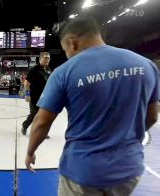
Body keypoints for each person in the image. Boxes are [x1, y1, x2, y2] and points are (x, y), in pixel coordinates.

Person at [25, 15, 159, 196]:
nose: (67, 55)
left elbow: (41, 122)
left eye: (66, 50)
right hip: (128, 169)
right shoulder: (146, 65)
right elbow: (152, 116)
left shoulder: (65, 72)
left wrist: (30, 152)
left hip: (83, 172)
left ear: (72, 43)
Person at [21, 52, 51, 137]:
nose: (47, 60)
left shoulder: (48, 69)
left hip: (45, 97)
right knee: (34, 114)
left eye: (48, 58)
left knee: (44, 115)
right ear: (40, 59)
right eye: (45, 58)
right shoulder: (34, 69)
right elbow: (26, 82)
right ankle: (25, 126)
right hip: (34, 97)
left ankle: (42, 132)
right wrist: (27, 94)